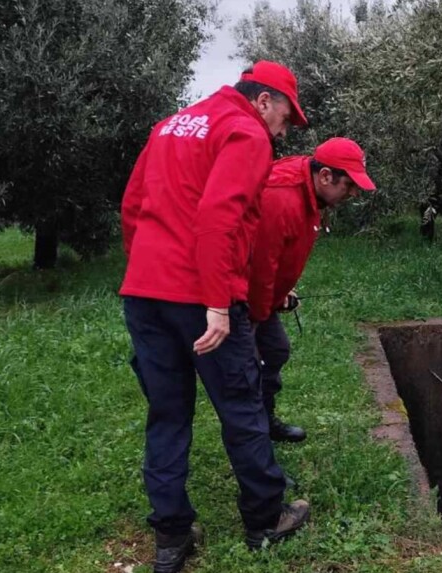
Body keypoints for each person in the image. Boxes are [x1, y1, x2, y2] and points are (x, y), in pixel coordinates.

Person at [120, 61, 311, 572]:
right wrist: (216, 303)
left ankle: (172, 534)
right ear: (264, 100)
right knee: (241, 404)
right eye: (288, 118)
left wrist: (147, 271)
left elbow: (133, 208)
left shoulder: (170, 125)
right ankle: (265, 518)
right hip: (199, 296)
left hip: (143, 292)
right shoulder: (245, 132)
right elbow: (219, 218)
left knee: (167, 413)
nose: (285, 130)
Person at [248, 138, 376, 442]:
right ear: (326, 176)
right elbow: (259, 267)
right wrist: (253, 320)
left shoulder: (309, 189)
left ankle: (264, 422)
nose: (354, 193)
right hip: (243, 295)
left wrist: (282, 293)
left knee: (275, 350)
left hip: (262, 295)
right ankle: (253, 449)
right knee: (248, 368)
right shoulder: (281, 199)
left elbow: (281, 254)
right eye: (349, 185)